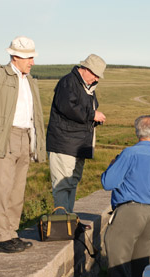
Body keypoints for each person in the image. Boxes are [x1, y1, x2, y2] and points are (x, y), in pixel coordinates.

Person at [0, 36, 46, 253]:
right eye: (28, 58)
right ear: (15, 57)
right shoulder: (2, 75)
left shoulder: (30, 80)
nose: (32, 62)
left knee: (17, 190)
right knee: (3, 189)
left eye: (32, 57)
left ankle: (11, 233)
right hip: (7, 138)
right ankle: (0, 237)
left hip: (26, 137)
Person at [101, 115, 150, 277]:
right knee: (140, 267)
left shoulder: (130, 153)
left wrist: (111, 167)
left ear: (137, 132)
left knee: (119, 266)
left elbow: (108, 183)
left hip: (129, 213)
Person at [46, 54, 107, 215]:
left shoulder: (86, 87)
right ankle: (62, 222)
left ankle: (68, 221)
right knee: (62, 185)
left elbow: (78, 112)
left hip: (78, 145)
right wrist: (92, 115)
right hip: (64, 144)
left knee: (72, 183)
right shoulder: (68, 83)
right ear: (86, 69)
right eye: (95, 75)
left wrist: (93, 118)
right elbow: (68, 108)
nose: (96, 79)